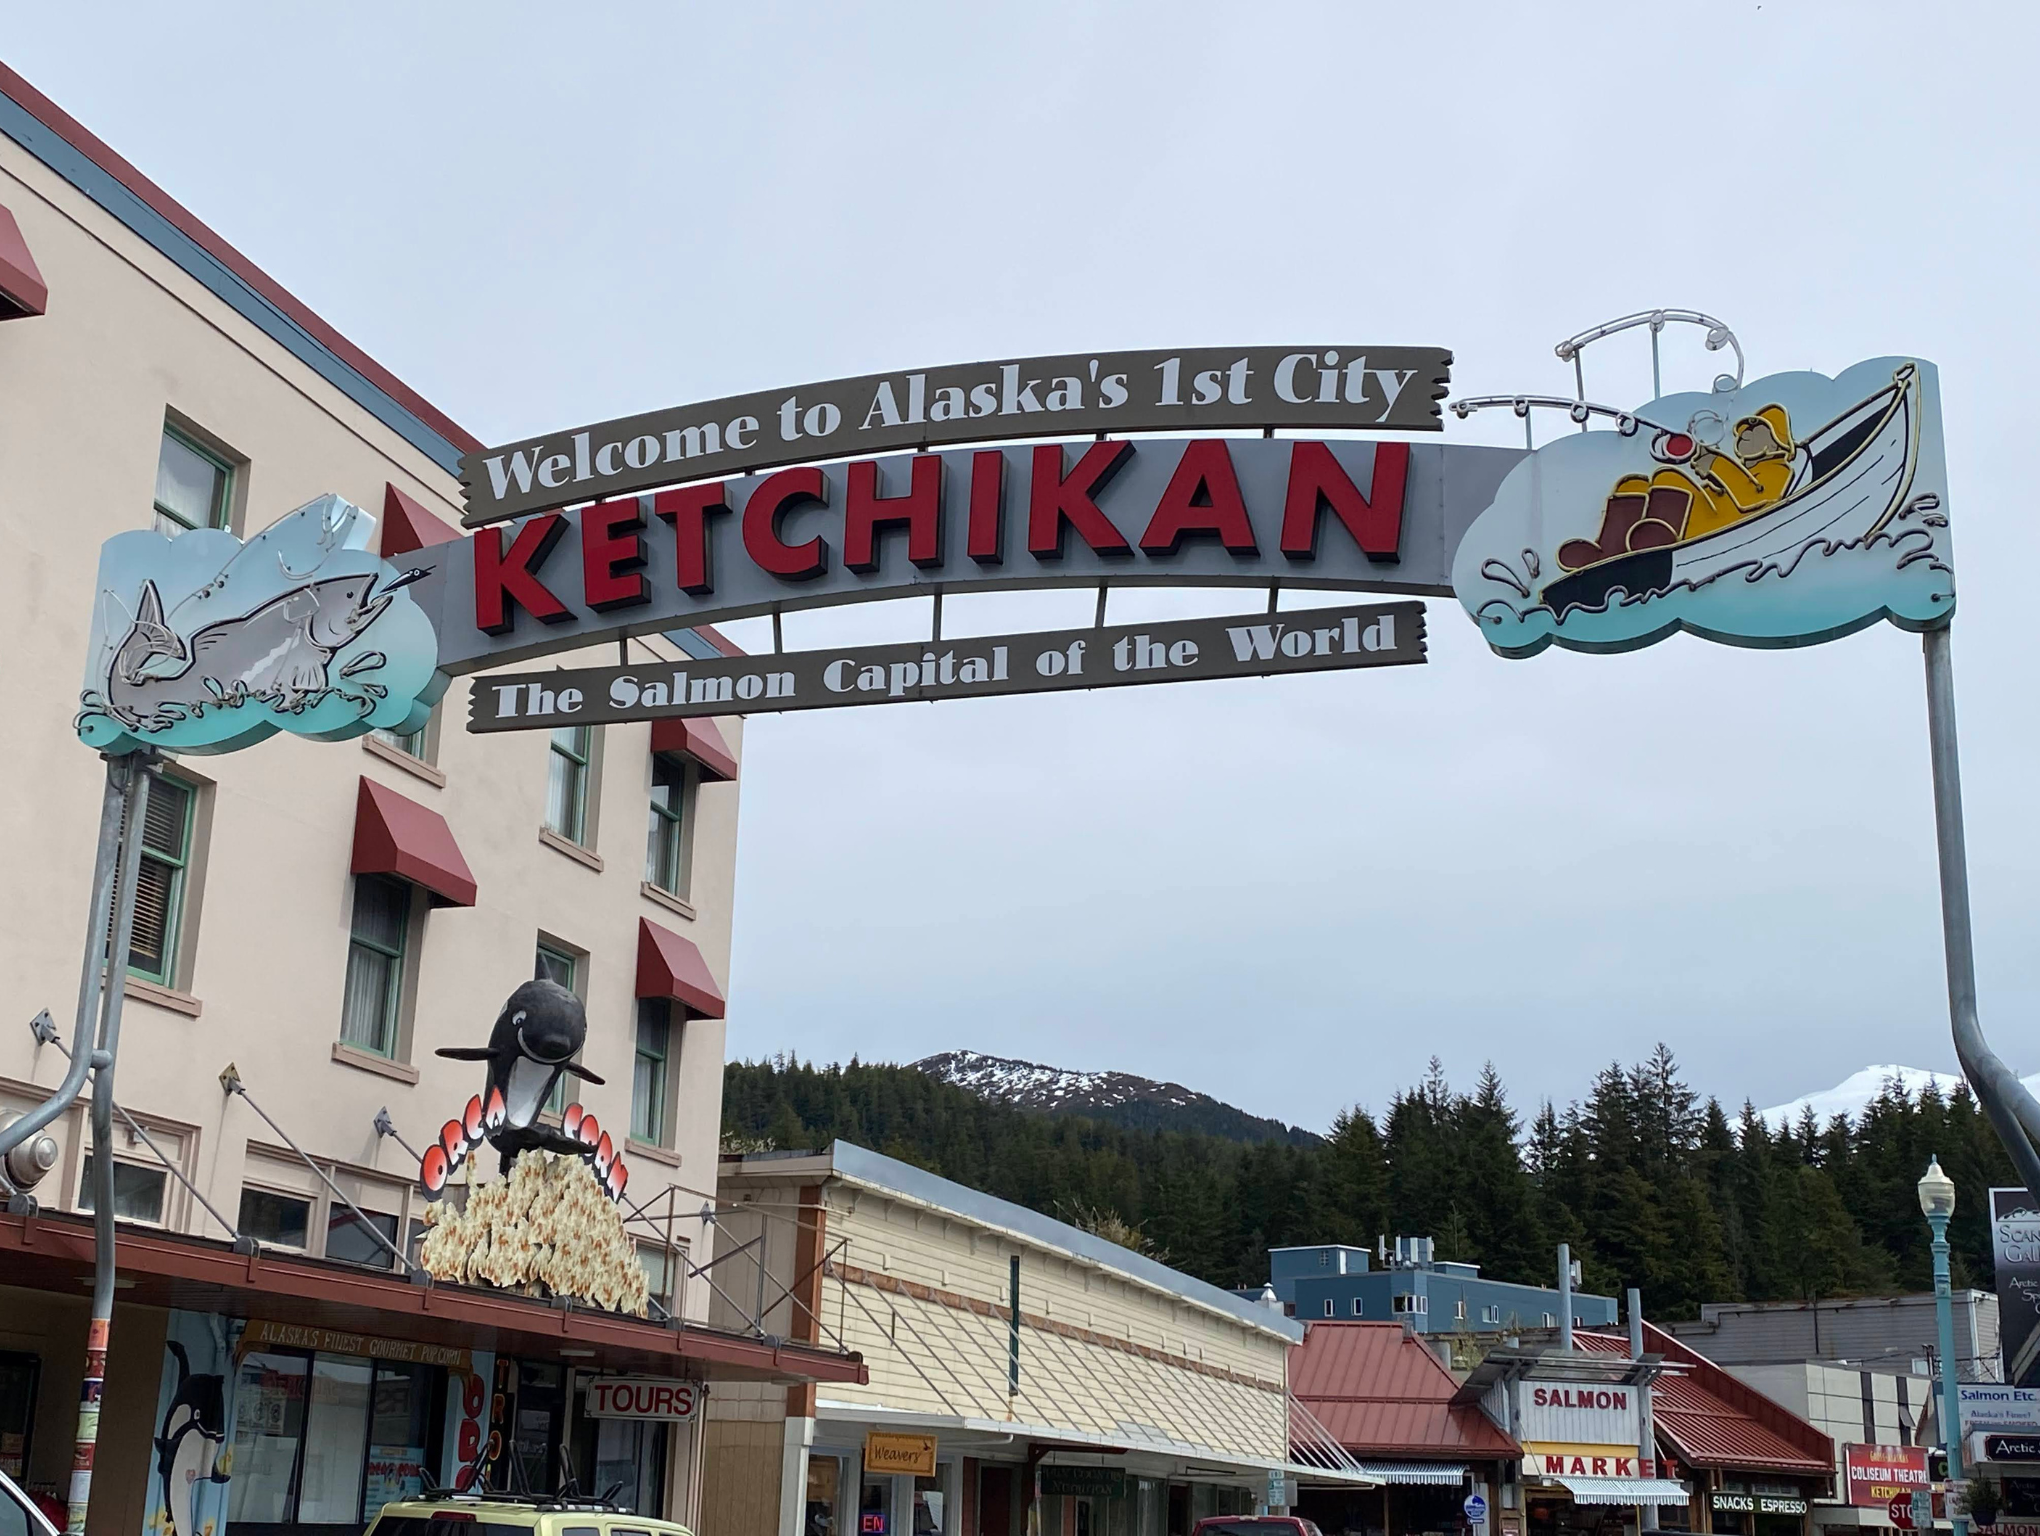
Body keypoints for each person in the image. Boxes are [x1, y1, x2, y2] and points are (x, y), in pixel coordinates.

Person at [1554, 405, 1796, 570]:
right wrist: (1711, 471)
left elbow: (1753, 498)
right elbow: (1727, 492)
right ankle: (1607, 550)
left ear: (1776, 442)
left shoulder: (1779, 469)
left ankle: (1658, 537)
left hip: (1724, 529)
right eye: (1743, 430)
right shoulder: (1743, 470)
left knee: (1668, 477)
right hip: (1709, 517)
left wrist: (1716, 464)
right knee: (1633, 483)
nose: (1744, 434)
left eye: (1755, 430)